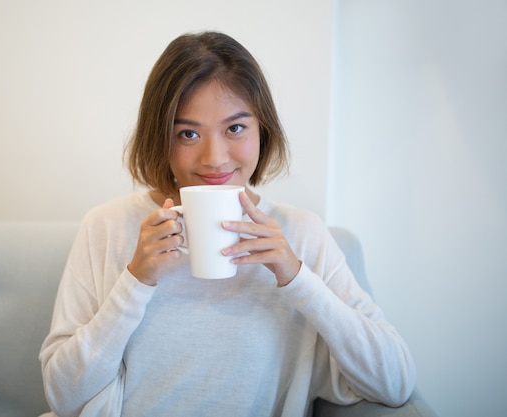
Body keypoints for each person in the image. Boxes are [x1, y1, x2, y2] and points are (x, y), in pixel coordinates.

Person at [39, 31, 416, 417]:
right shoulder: (107, 226)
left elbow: (394, 382)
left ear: (262, 130)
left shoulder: (301, 234)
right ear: (160, 138)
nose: (215, 158)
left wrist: (295, 276)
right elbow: (63, 396)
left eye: (235, 128)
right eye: (188, 133)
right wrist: (136, 280)